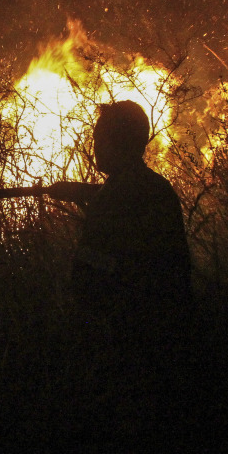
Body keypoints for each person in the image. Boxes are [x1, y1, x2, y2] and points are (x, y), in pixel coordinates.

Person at [48, 100, 193, 327]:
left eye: (99, 139)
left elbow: (100, 268)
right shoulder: (157, 187)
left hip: (127, 327)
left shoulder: (113, 198)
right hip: (168, 323)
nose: (94, 146)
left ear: (116, 142)